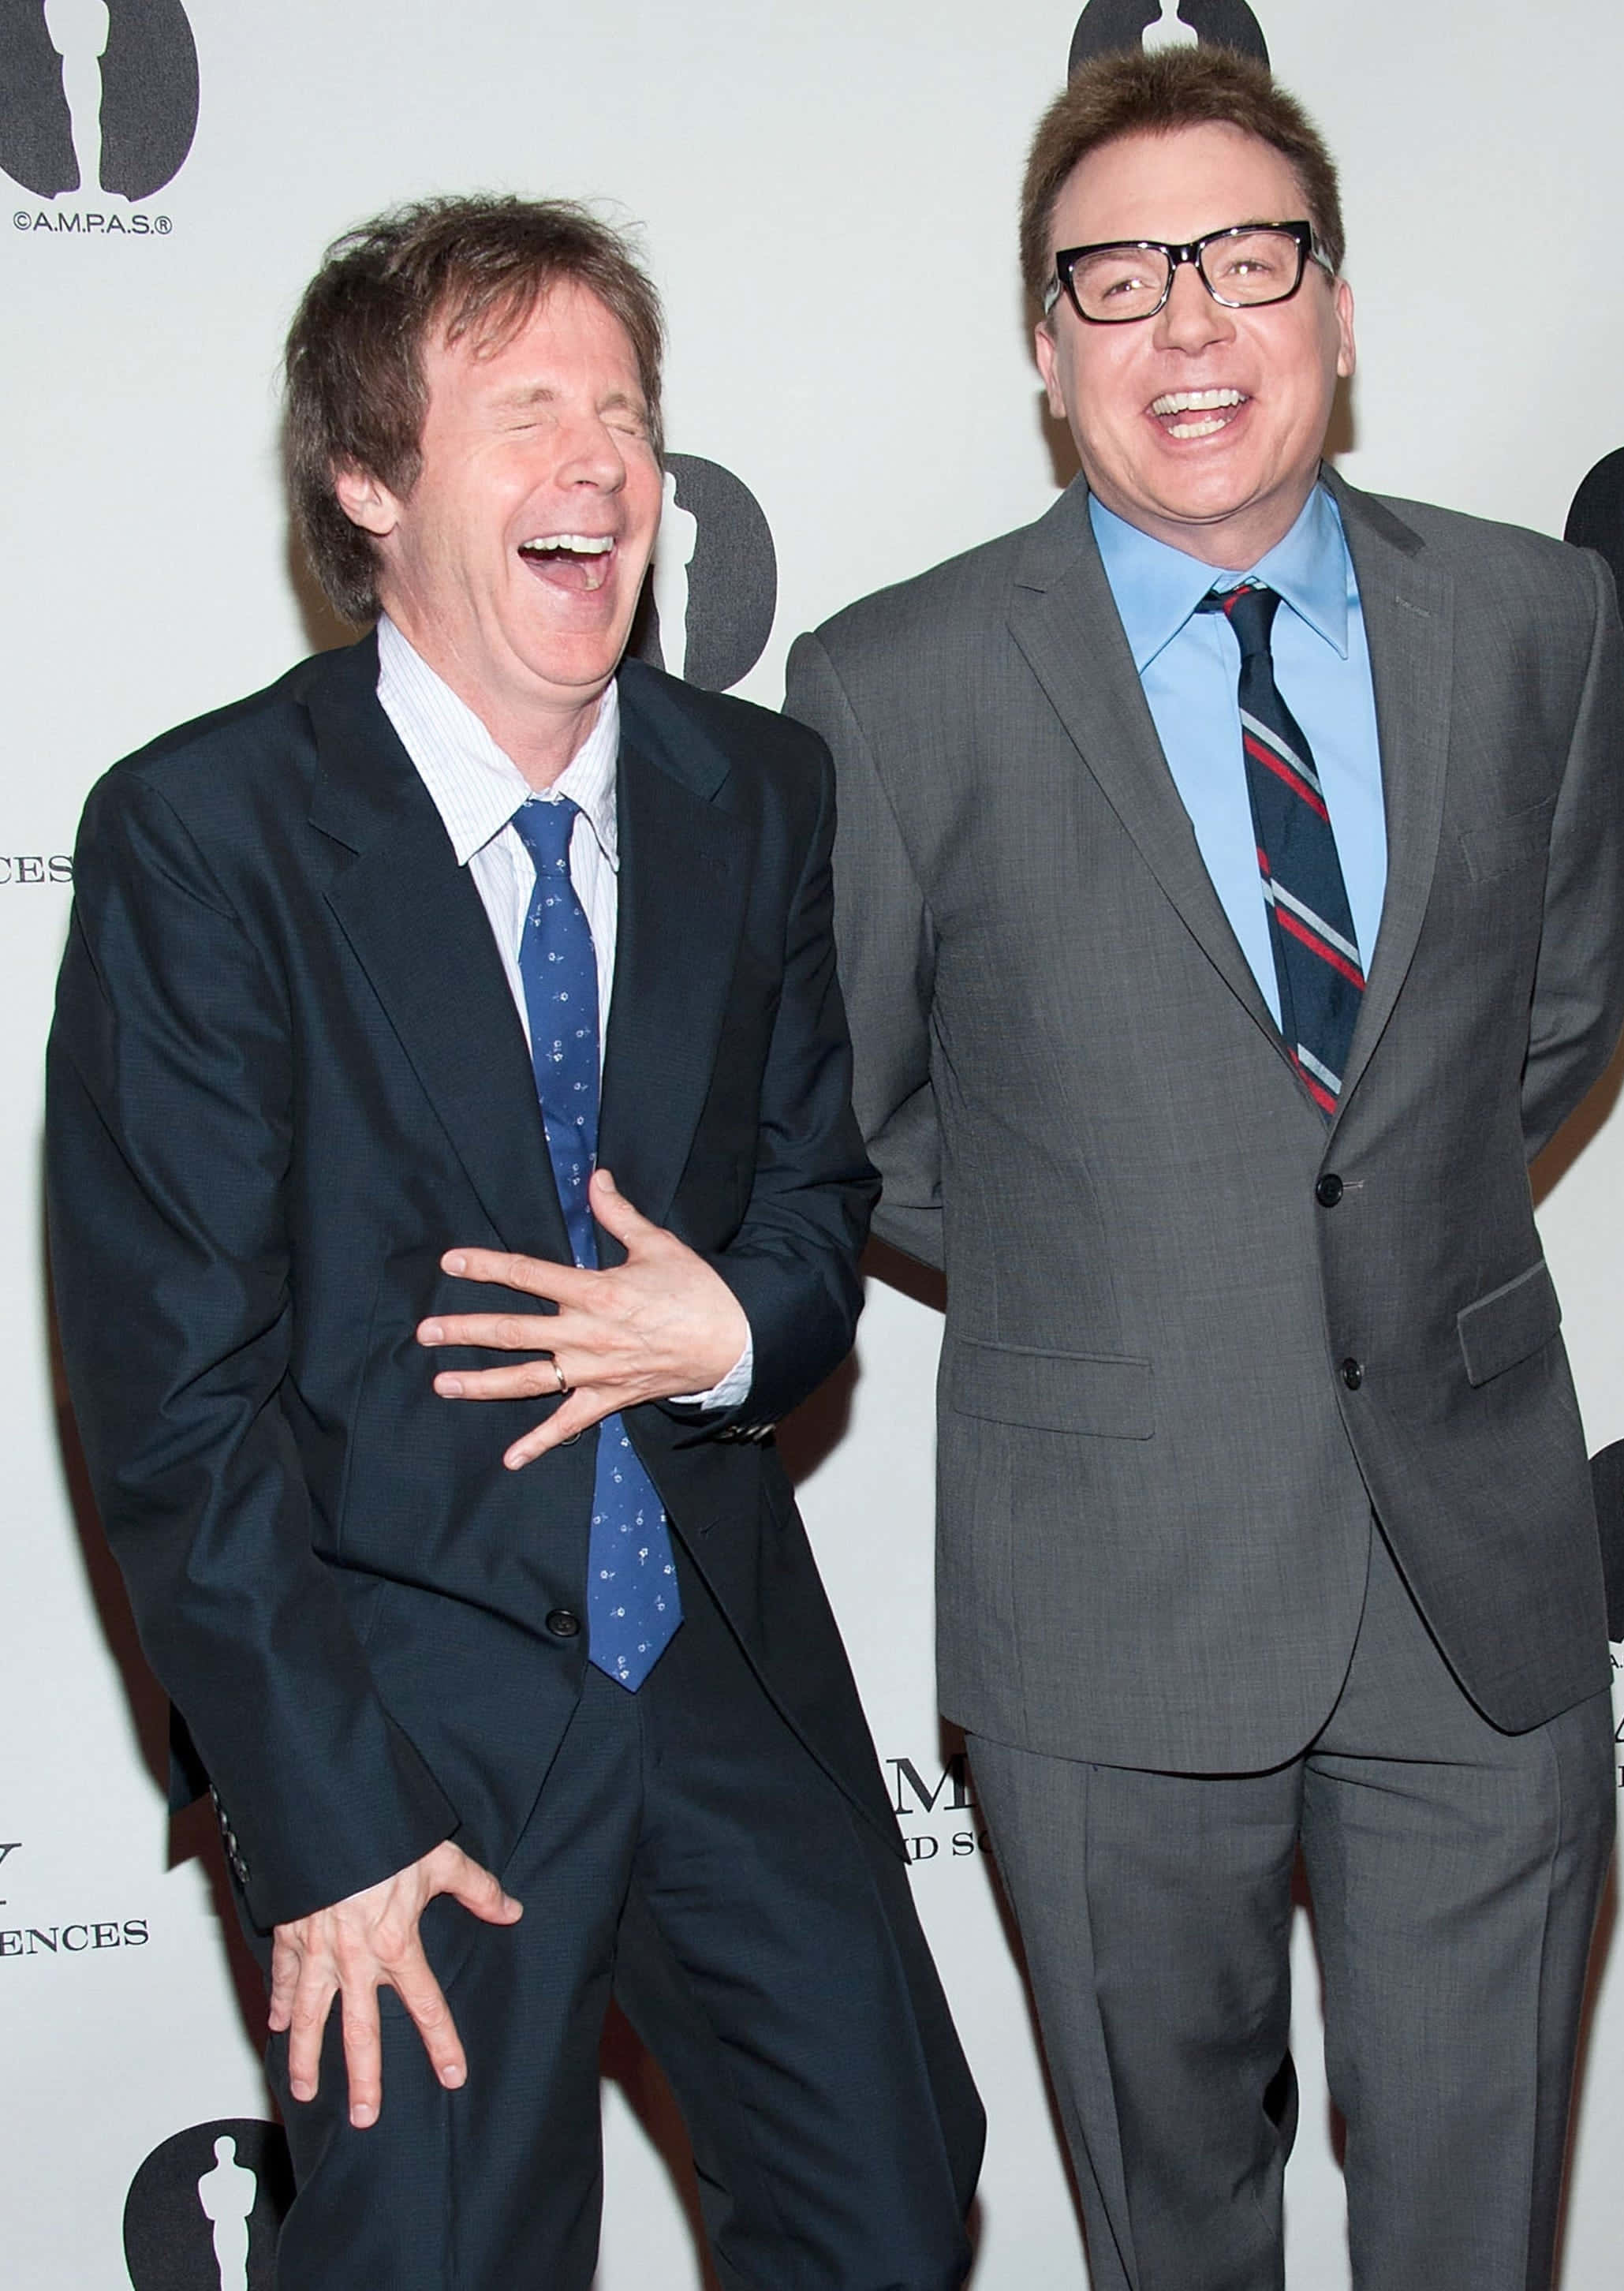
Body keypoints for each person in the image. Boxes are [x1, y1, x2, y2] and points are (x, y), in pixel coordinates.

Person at [47, 194, 982, 2290]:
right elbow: (173, 1401)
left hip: (719, 1670)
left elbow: (817, 1202)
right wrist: (320, 1822)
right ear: (370, 482)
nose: (602, 464)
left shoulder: (757, 794)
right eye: (529, 413)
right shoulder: (207, 838)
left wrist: (728, 1327)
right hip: (398, 1718)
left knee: (894, 2204)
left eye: (627, 414)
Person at [786, 47, 1624, 2291]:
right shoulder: (893, 686)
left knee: (1477, 2234)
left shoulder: (1538, 624)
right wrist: (1121, 1265)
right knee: (1174, 2242)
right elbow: (861, 1114)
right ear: (1043, 343)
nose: (1188, 321)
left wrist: (1354, 1237)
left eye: (1248, 260)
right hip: (1106, 1597)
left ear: (1337, 310)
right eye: (1118, 275)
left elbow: (1555, 1017)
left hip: (1476, 1589)